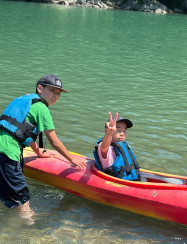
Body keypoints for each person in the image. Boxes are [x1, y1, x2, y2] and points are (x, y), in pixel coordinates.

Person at [0, 74, 87, 220]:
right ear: (40, 88)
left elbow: (20, 131)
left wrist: (38, 152)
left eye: (58, 94)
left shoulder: (23, 100)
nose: (55, 96)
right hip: (7, 152)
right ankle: (28, 226)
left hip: (3, 147)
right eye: (52, 91)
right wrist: (72, 159)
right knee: (21, 195)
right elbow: (54, 141)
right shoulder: (41, 108)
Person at [93, 112, 140, 181]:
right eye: (118, 130)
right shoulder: (105, 147)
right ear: (106, 130)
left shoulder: (123, 145)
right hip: (116, 182)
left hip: (132, 178)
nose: (122, 134)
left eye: (124, 131)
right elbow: (104, 146)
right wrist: (109, 133)